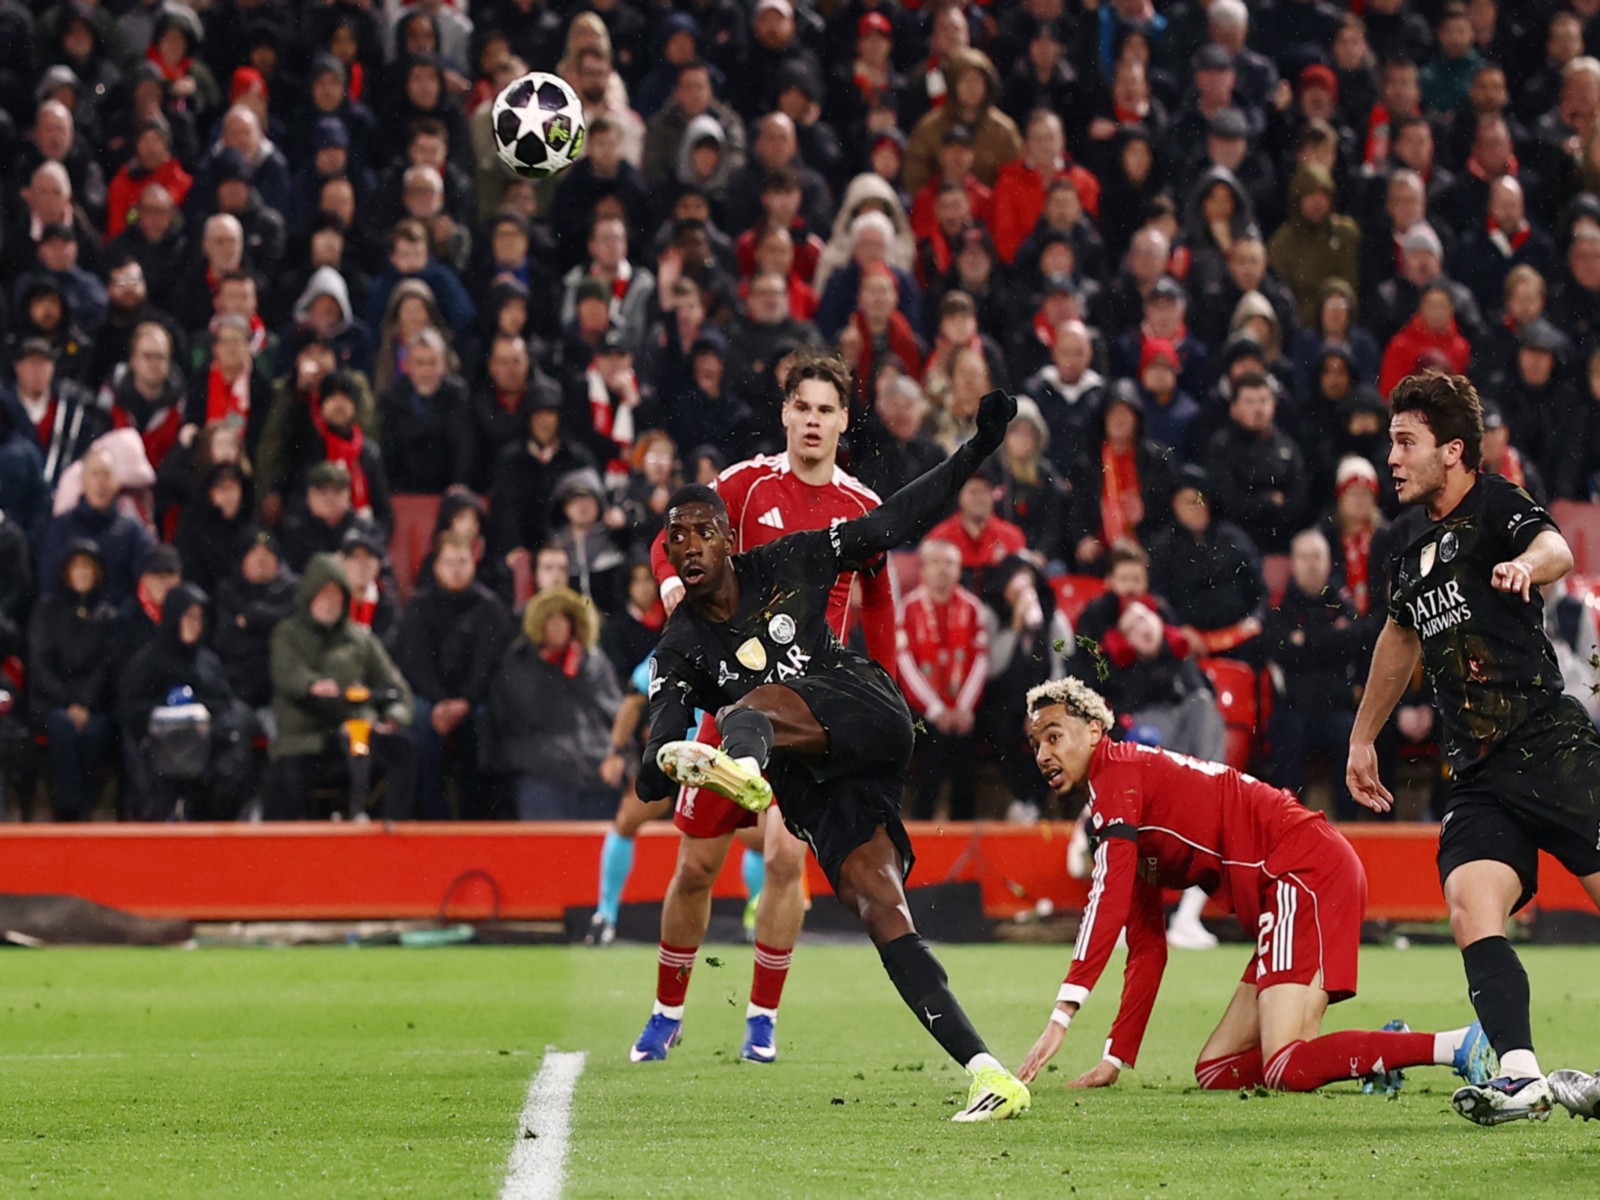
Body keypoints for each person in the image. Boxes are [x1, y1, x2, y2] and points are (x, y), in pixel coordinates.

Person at [633, 383, 1030, 1122]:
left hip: (862, 711)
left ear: (728, 538)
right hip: (814, 782)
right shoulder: (679, 646)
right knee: (881, 908)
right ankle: (987, 1072)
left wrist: (976, 448)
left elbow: (895, 520)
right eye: (675, 537)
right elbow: (654, 747)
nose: (688, 546)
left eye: (700, 533)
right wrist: (664, 759)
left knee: (747, 716)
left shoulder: (790, 560)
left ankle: (744, 770)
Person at [1015, 676, 1497, 1100]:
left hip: (1300, 869)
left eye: (1054, 736)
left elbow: (1106, 900)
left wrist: (1061, 1017)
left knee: (1285, 1065)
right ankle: (1384, 1051)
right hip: (1288, 880)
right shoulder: (1123, 802)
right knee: (1216, 1070)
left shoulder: (1116, 776)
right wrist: (1114, 1057)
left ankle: (1455, 1045)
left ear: (1094, 731)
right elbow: (1145, 945)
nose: (1043, 754)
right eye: (1035, 744)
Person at [619, 350, 899, 1064]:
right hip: (729, 694)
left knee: (783, 859)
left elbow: (880, 602)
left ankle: (762, 1018)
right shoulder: (743, 488)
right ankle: (666, 1010)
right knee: (696, 868)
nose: (812, 420)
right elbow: (670, 536)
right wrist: (670, 584)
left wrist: (885, 689)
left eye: (825, 409)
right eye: (800, 406)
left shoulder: (861, 507)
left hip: (810, 714)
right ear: (784, 413)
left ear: (843, 421)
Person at [1345, 370, 1600, 1124]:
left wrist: (1528, 567)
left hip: (1549, 747)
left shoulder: (1498, 503)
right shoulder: (1410, 554)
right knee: (1469, 901)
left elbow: (1554, 546)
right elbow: (1398, 637)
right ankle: (1522, 1077)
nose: (1391, 458)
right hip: (1480, 772)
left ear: (1452, 451)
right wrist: (1363, 737)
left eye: (1405, 442)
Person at [267, 553, 415, 820]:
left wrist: (394, 716)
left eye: (336, 596)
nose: (330, 603)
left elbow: (396, 688)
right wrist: (312, 685)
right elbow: (287, 673)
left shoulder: (361, 640)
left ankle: (394, 834)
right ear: (309, 595)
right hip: (306, 740)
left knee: (401, 749)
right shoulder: (287, 634)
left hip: (356, 738)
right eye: (323, 595)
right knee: (287, 777)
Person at [393, 532, 515, 819]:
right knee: (420, 723)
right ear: (436, 566)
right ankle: (431, 816)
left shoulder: (490, 608)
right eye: (449, 562)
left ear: (473, 563)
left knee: (483, 723)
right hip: (429, 698)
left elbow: (491, 663)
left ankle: (476, 816)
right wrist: (439, 701)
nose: (456, 568)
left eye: (462, 561)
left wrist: (465, 701)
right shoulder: (418, 606)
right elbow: (414, 662)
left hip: (476, 699)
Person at [481, 585, 623, 820]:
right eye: (551, 620)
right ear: (539, 625)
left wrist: (620, 759)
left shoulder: (595, 664)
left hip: (598, 773)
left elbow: (618, 716)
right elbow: (508, 736)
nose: (558, 627)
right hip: (543, 776)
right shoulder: (517, 667)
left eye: (563, 620)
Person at [896, 537, 987, 820]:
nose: (942, 570)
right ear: (923, 569)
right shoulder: (908, 607)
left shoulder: (972, 607)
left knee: (966, 774)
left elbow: (980, 660)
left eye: (949, 563)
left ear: (959, 570)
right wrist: (935, 709)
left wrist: (964, 708)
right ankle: (924, 837)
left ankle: (965, 830)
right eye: (935, 562)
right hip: (924, 711)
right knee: (929, 769)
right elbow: (905, 662)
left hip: (963, 710)